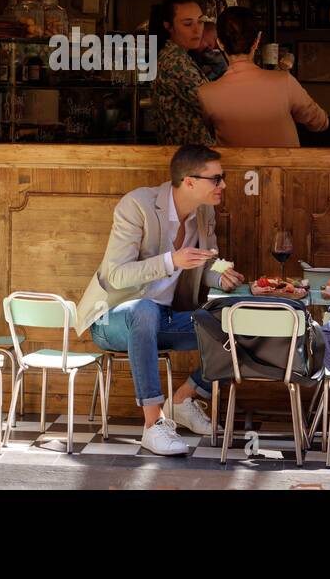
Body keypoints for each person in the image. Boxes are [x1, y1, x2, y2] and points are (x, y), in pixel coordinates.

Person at [76, 144, 245, 456]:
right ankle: (153, 426)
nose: (223, 185)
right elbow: (116, 275)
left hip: (164, 318)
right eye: (217, 179)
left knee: (239, 320)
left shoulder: (205, 213)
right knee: (144, 310)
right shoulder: (137, 205)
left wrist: (221, 275)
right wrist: (172, 261)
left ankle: (184, 398)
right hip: (113, 318)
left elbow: (208, 262)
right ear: (189, 182)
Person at [196, 6, 329, 147]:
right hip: (282, 168)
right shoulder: (284, 81)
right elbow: (320, 122)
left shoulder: (206, 94)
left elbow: (211, 133)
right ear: (257, 40)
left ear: (220, 43)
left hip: (236, 168)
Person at [152, 0, 215, 145]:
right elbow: (214, 106)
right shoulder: (174, 61)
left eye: (200, 22)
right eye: (187, 24)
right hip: (189, 159)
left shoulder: (180, 55)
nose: (197, 30)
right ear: (168, 26)